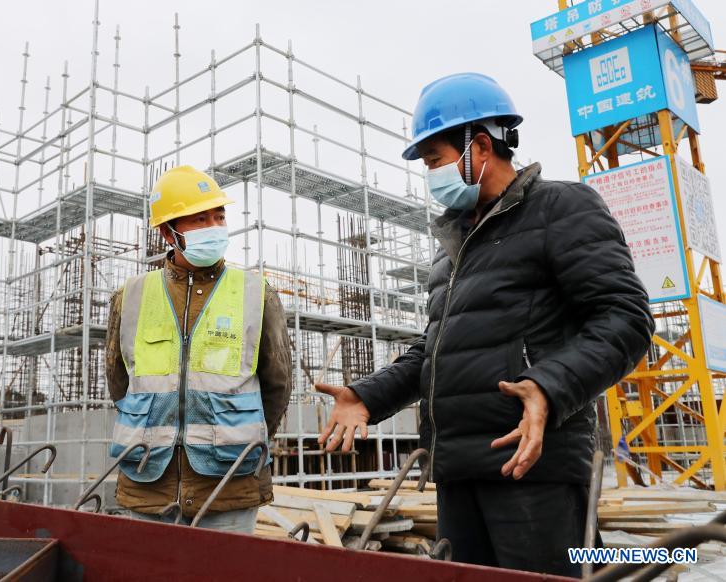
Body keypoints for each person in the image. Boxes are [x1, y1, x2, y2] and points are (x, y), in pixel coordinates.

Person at [315, 73, 653, 575]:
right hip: (458, 470)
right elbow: (435, 352)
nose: (430, 175)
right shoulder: (454, 249)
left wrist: (548, 387)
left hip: (531, 471)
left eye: (433, 160)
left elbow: (626, 317)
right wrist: (368, 395)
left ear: (477, 148)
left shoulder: (561, 208)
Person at [105, 165, 291, 532]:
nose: (214, 227)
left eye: (219, 216)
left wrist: (239, 438)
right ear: (166, 232)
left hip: (229, 484)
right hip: (148, 483)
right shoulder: (130, 297)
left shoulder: (256, 294)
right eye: (199, 218)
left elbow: (277, 385)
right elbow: (119, 382)